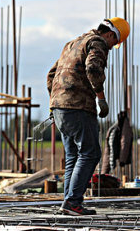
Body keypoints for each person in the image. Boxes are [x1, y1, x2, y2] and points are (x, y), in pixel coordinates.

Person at [47, 17, 130, 215]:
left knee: (73, 157)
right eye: (114, 43)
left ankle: (69, 202)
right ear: (110, 35)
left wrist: (56, 100)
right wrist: (100, 98)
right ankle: (73, 202)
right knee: (90, 153)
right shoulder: (97, 42)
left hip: (59, 108)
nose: (111, 47)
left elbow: (51, 74)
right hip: (78, 107)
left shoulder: (72, 43)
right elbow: (93, 67)